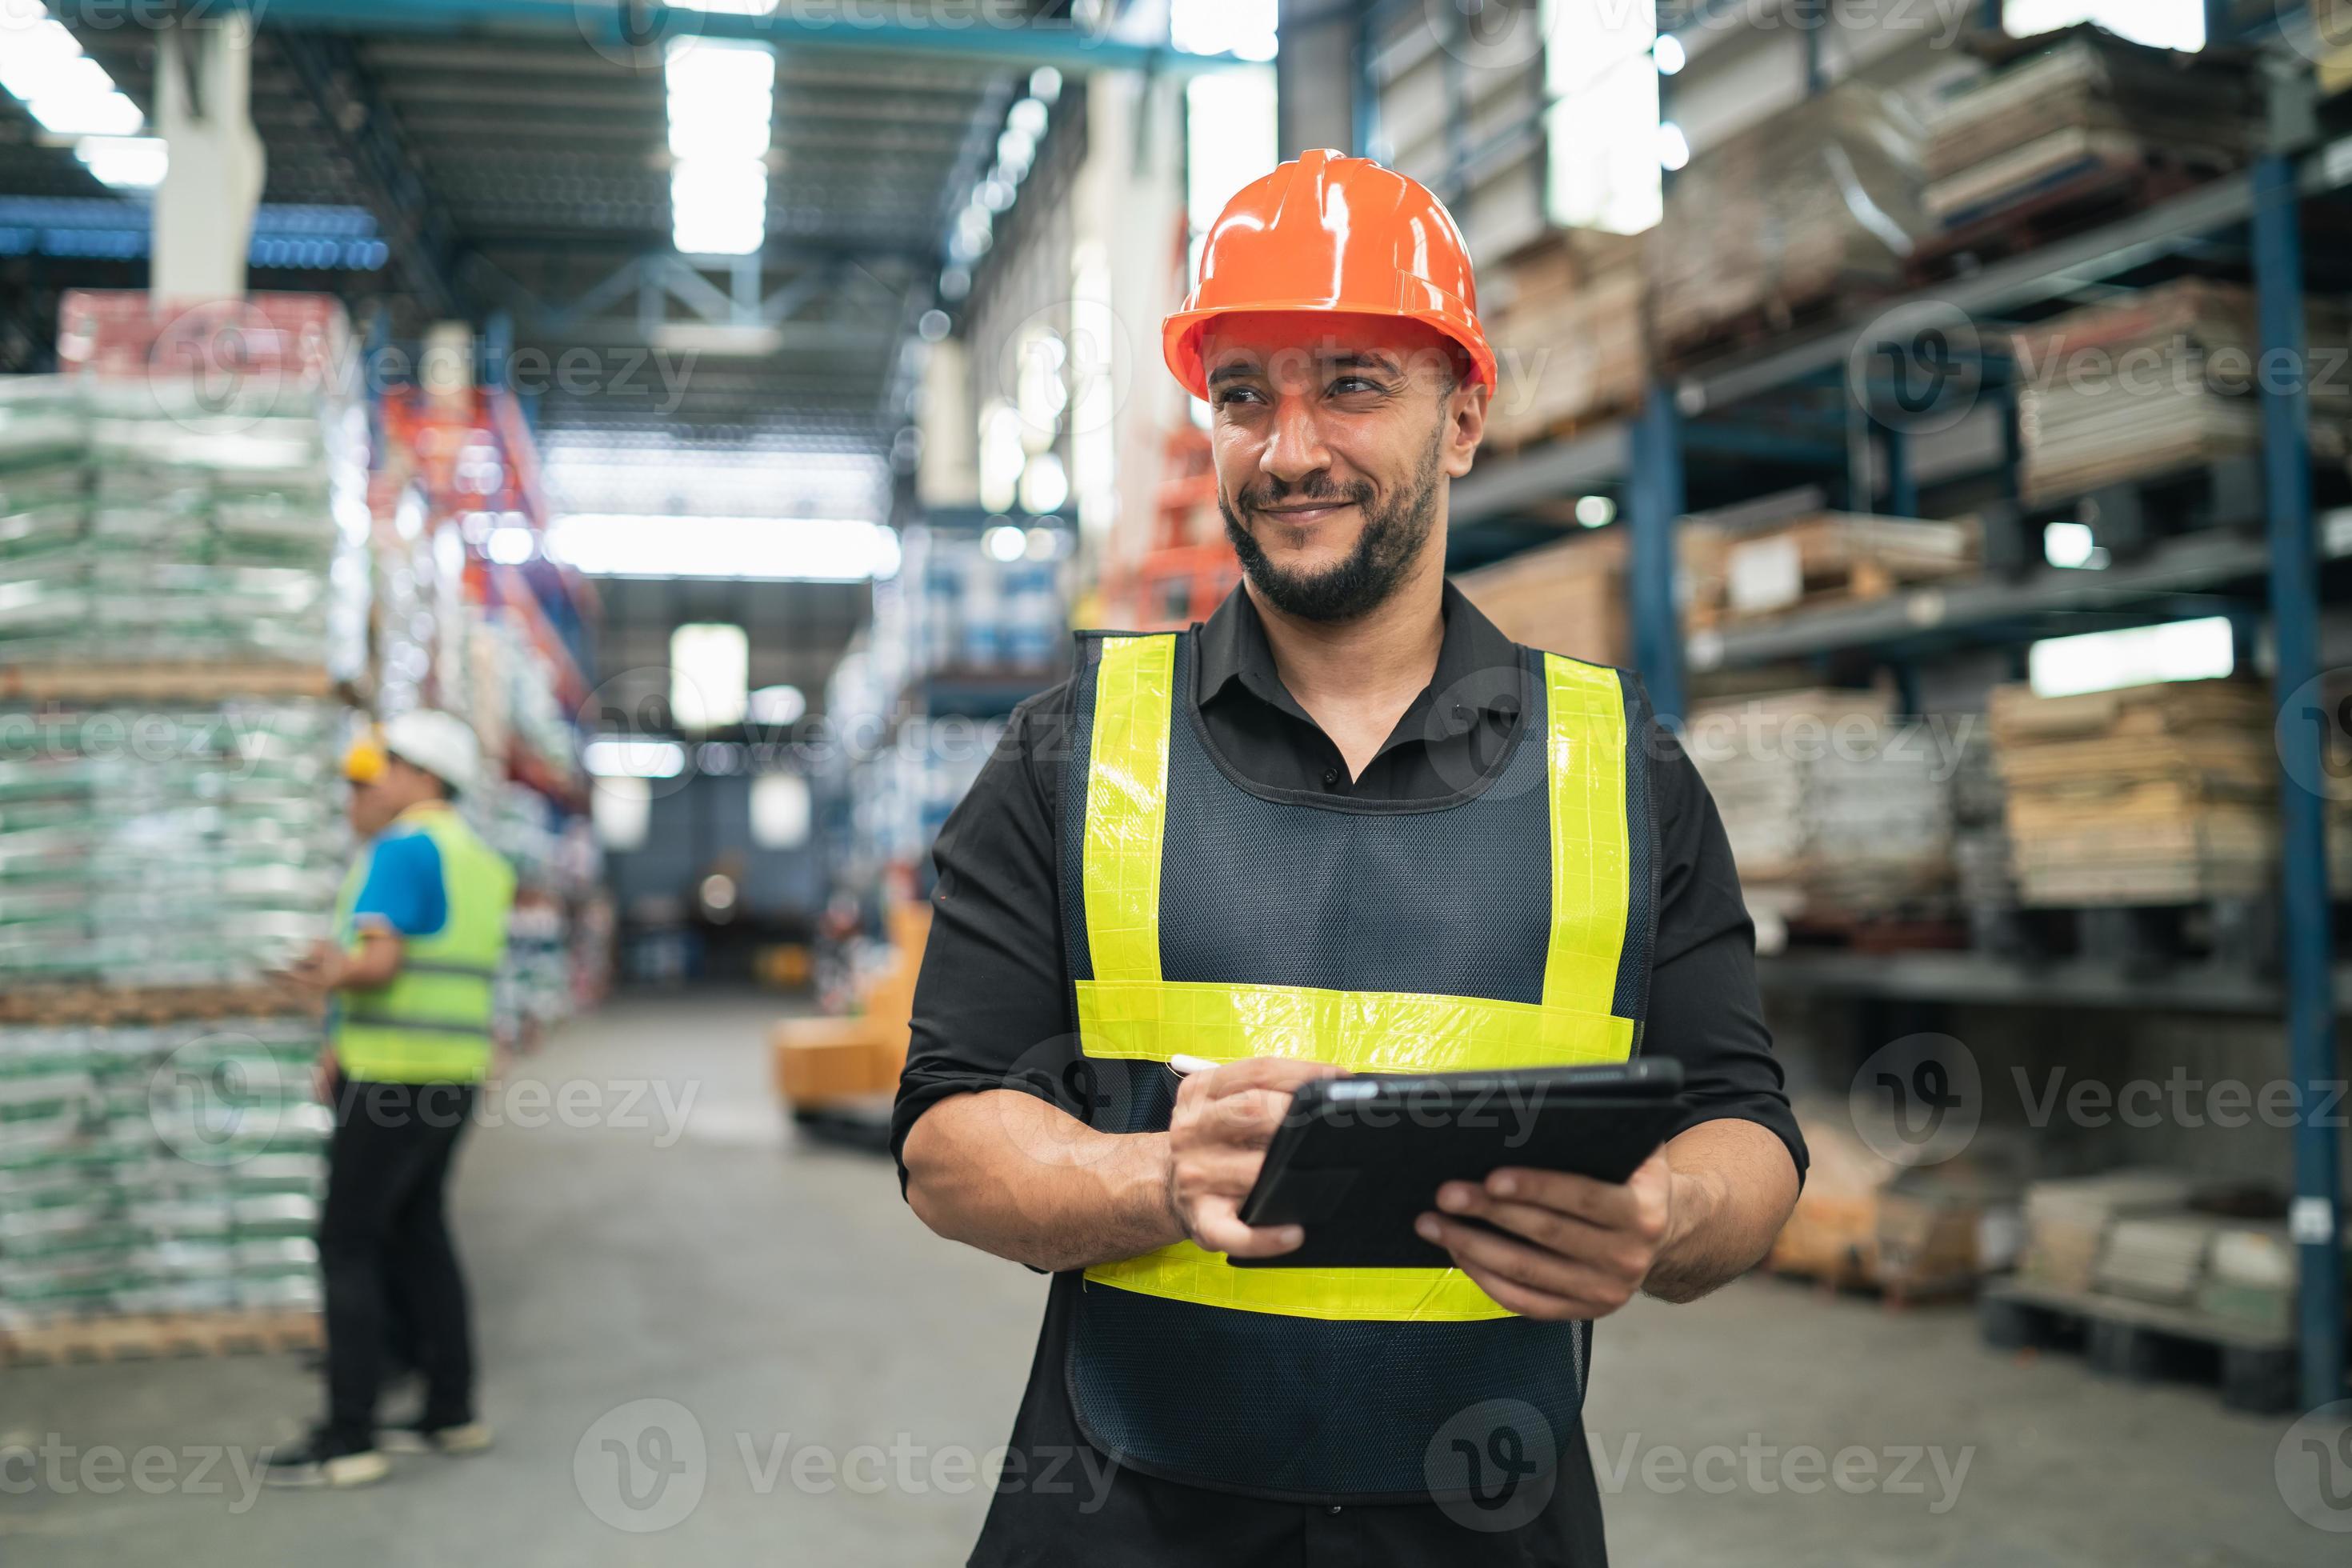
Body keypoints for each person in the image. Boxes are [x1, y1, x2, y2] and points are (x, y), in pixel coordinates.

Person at [894, 150, 1806, 1566]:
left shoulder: (1617, 770)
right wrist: (1157, 1182)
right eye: (1244, 394)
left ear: (1464, 420)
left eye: (1353, 385)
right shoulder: (1071, 756)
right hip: (1126, 1525)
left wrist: (1661, 1215)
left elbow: (1750, 1133)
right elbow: (949, 1143)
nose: (1290, 447)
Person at [263, 710, 515, 1488]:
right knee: (419, 1231)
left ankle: (350, 1433)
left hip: (393, 1078)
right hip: (452, 1074)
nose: (365, 788)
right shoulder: (478, 857)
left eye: (379, 772)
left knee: (347, 1240)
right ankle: (450, 1409)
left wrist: (322, 972)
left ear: (420, 776)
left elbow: (381, 962)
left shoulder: (404, 847)